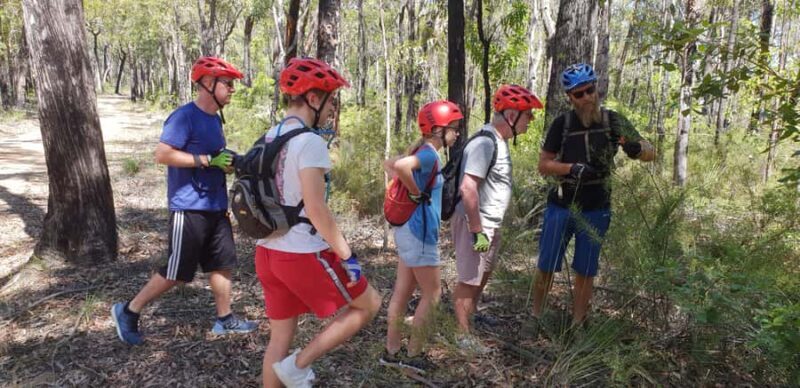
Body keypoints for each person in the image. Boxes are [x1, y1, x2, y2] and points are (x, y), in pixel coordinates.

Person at [111, 56, 256, 346]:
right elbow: (163, 154)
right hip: (188, 207)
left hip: (216, 206)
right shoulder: (184, 117)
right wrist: (206, 160)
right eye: (227, 84)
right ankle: (128, 311)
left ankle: (225, 319)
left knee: (222, 262)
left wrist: (226, 163)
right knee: (177, 271)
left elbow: (213, 158)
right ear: (208, 83)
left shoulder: (215, 119)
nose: (232, 89)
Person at [256, 57, 382, 388]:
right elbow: (316, 209)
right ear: (312, 98)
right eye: (330, 100)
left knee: (279, 340)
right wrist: (347, 255)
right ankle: (298, 366)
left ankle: (289, 368)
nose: (332, 109)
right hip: (300, 253)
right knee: (369, 304)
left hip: (267, 252)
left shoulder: (269, 136)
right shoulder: (309, 141)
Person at [532, 63, 655, 326]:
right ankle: (535, 317)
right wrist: (571, 168)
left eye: (590, 90)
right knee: (546, 264)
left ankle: (578, 324)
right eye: (579, 94)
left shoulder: (613, 121)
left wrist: (637, 149)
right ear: (570, 97)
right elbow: (544, 165)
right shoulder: (562, 124)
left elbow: (650, 151)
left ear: (596, 88)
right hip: (562, 204)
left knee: (586, 269)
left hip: (597, 207)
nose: (587, 97)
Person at [451, 85, 543, 349]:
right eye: (528, 114)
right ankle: (462, 335)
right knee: (469, 278)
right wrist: (477, 230)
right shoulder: (484, 143)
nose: (531, 120)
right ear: (512, 115)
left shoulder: (497, 141)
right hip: (477, 224)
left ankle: (472, 316)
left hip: (489, 224)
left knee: (482, 274)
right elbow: (468, 187)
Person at [380, 101, 463, 371]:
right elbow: (400, 166)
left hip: (407, 231)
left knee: (402, 292)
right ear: (438, 130)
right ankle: (414, 355)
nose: (456, 133)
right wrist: (416, 192)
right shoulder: (429, 155)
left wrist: (410, 187)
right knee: (433, 293)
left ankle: (392, 351)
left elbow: (390, 164)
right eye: (453, 128)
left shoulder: (421, 151)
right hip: (420, 234)